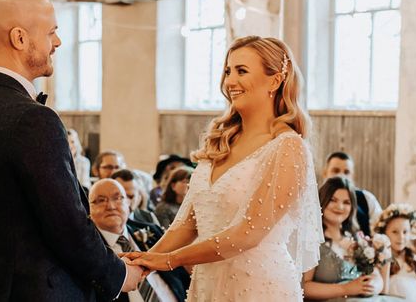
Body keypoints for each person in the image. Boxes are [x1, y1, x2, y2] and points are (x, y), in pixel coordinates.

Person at [0, 0, 140, 300]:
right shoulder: (32, 118)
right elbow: (67, 224)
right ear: (20, 38)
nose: (58, 42)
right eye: (51, 32)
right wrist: (118, 274)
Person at [127, 35, 323, 301]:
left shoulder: (287, 147)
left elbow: (247, 234)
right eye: (228, 71)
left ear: (275, 81)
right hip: (208, 284)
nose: (230, 81)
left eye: (242, 71)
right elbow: (187, 224)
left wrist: (170, 260)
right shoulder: (221, 140)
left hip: (259, 287)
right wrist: (144, 262)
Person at [89, 178, 189, 302]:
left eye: (118, 198)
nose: (111, 206)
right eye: (100, 200)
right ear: (88, 209)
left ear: (129, 203)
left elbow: (180, 274)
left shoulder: (152, 231)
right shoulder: (89, 250)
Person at [303, 176, 398, 301]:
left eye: (346, 202)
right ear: (322, 201)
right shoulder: (312, 240)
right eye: (333, 200)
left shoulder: (357, 238)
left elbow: (375, 275)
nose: (340, 207)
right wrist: (346, 289)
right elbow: (304, 287)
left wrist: (374, 286)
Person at [377, 203, 416, 300]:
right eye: (395, 232)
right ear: (384, 233)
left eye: (405, 232)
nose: (401, 237)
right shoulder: (380, 257)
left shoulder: (411, 257)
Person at [323, 151, 383, 237]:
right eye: (335, 171)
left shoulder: (366, 198)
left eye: (346, 172)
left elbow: (381, 228)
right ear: (325, 173)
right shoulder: (315, 198)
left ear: (352, 176)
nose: (341, 176)